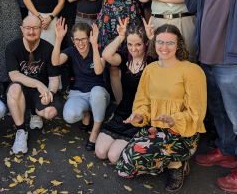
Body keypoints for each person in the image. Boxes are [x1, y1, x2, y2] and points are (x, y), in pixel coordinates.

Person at [180, 0, 237, 193]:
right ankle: (226, 151)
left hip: (232, 58)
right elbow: (192, 5)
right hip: (208, 57)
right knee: (219, 111)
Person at [116, 24, 207, 192]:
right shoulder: (150, 69)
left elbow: (197, 112)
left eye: (170, 43)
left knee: (142, 157)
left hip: (182, 131)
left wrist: (174, 119)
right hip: (156, 128)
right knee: (124, 169)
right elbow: (142, 102)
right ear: (154, 43)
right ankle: (167, 159)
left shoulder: (192, 71)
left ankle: (176, 164)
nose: (164, 47)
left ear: (178, 44)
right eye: (160, 42)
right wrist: (140, 115)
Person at [86, 0, 146, 104]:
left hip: (131, 28)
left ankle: (136, 105)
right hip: (109, 28)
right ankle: (121, 106)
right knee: (113, 68)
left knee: (134, 66)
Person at [96, 18, 154, 163]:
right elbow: (106, 55)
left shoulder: (152, 62)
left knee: (114, 157)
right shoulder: (124, 59)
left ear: (145, 43)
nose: (133, 49)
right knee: (101, 153)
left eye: (138, 44)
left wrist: (153, 38)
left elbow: (164, 58)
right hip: (121, 114)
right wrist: (121, 37)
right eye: (130, 44)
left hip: (140, 117)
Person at [5, 15, 61, 154]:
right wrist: (38, 83)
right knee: (14, 88)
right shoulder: (12, 47)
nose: (31, 32)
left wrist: (50, 93)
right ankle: (21, 131)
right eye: (28, 28)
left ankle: (35, 112)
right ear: (21, 29)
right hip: (22, 91)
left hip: (39, 93)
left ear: (41, 29)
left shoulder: (48, 48)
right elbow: (14, 75)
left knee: (50, 112)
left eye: (35, 28)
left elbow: (54, 78)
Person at [52, 19, 109, 150]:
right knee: (69, 116)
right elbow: (55, 62)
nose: (80, 43)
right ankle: (87, 112)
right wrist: (59, 39)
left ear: (89, 38)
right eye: (77, 40)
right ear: (72, 40)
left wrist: (94, 46)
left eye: (84, 39)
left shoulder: (100, 51)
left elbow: (98, 70)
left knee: (96, 93)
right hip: (78, 93)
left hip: (99, 94)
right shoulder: (71, 51)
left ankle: (95, 131)